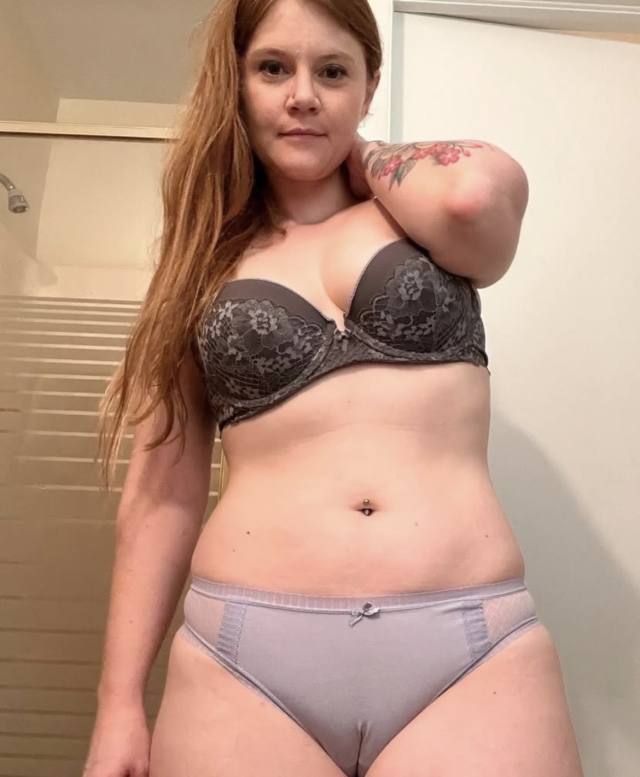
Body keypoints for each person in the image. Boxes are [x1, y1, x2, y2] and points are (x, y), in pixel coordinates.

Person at [83, 1, 585, 776]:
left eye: (333, 72)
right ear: (237, 83)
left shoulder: (424, 221)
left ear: (368, 87)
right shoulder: (201, 263)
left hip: (468, 648)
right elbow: (163, 489)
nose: (303, 95)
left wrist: (368, 158)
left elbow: (476, 196)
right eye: (273, 68)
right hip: (244, 658)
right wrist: (118, 703)